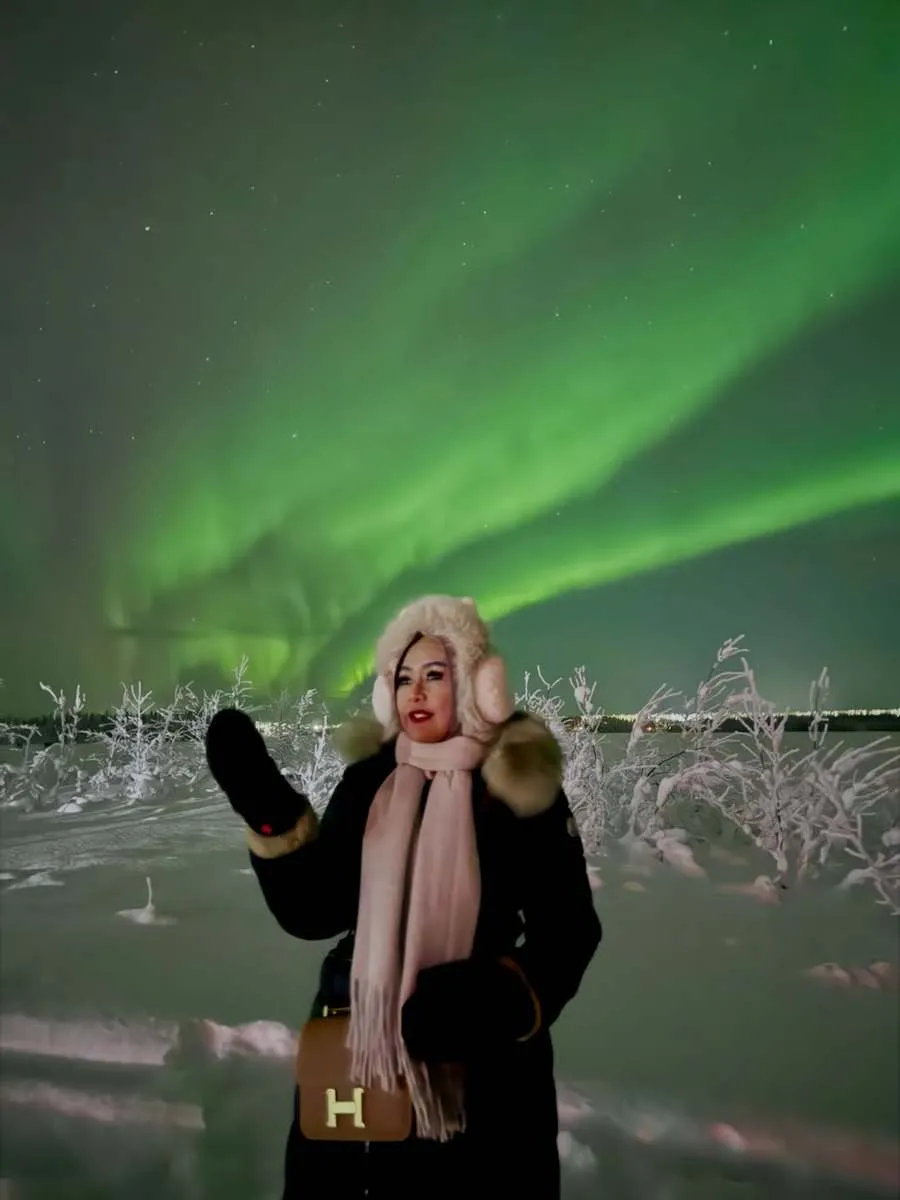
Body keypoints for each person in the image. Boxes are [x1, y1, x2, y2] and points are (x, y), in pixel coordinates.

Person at [205, 594, 602, 1199]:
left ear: (472, 684)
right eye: (403, 677)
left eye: (435, 675)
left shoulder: (517, 782)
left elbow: (570, 929)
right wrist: (273, 819)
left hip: (483, 1069)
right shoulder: (372, 779)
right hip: (358, 1046)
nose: (415, 692)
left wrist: (496, 998)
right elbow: (316, 910)